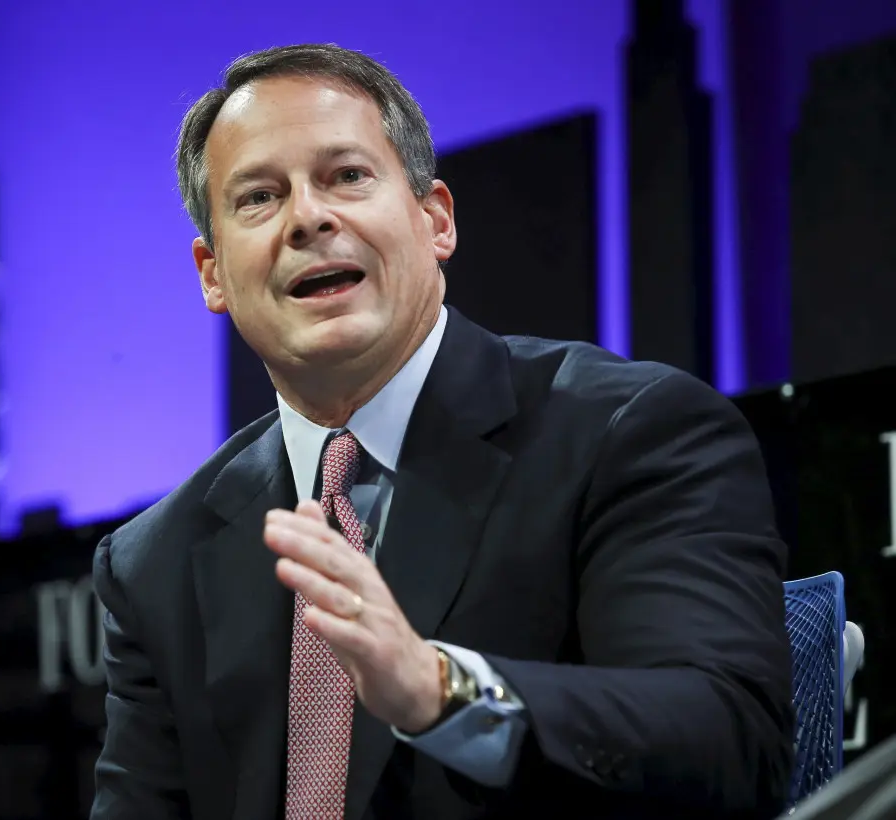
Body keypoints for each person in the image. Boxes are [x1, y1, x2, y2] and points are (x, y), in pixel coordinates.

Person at [90, 43, 793, 819]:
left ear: (436, 221)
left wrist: (439, 691)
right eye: (258, 197)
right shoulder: (155, 560)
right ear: (213, 274)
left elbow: (729, 742)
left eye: (347, 176)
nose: (307, 218)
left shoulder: (629, 434)